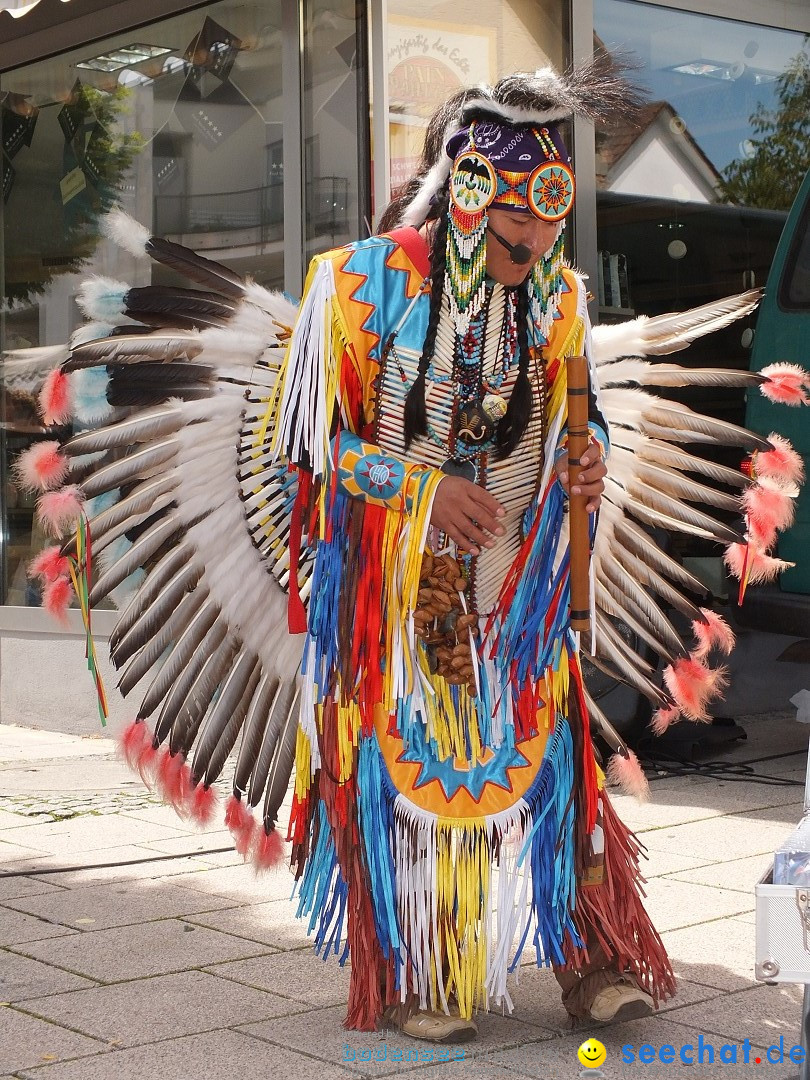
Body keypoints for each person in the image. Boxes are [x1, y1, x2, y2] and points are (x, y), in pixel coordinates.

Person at [273, 57, 674, 1039]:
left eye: (552, 211)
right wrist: (422, 489)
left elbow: (583, 422)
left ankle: (590, 959)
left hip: (520, 582)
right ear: (463, 188)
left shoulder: (557, 298)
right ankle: (416, 973)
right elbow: (311, 442)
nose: (537, 237)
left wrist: (593, 462)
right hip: (400, 589)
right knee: (416, 776)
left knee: (554, 764)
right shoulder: (356, 287)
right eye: (516, 214)